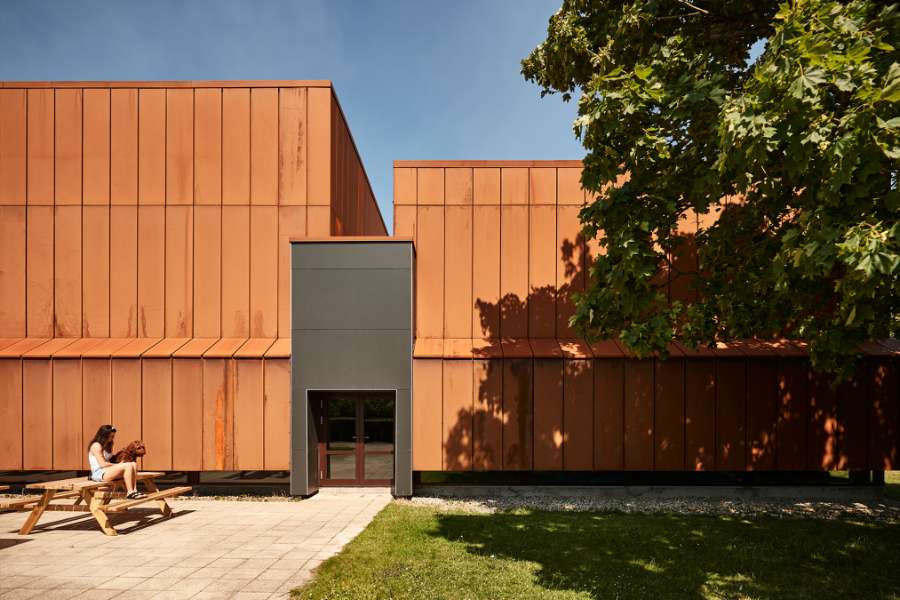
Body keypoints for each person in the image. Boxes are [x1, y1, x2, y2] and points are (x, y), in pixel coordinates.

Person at [87, 424, 144, 499]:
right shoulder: (96, 446)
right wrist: (119, 465)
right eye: (110, 436)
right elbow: (103, 464)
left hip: (108, 470)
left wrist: (121, 455)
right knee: (128, 465)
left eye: (113, 436)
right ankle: (130, 492)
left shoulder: (108, 444)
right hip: (99, 473)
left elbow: (110, 459)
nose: (112, 438)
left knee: (133, 464)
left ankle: (135, 490)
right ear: (103, 436)